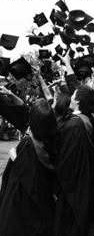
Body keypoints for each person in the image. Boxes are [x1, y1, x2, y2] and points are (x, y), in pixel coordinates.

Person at [0, 98, 56, 236]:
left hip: (22, 205)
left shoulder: (29, 144)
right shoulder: (51, 140)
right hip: (43, 204)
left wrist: (15, 157)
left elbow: (29, 177)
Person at [53, 84, 94, 236]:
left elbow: (70, 157)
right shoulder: (82, 119)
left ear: (78, 101)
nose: (71, 96)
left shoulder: (77, 123)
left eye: (74, 94)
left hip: (73, 179)